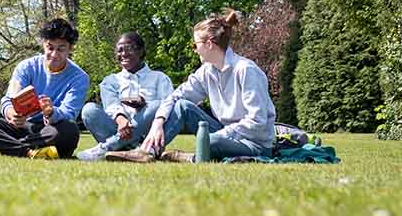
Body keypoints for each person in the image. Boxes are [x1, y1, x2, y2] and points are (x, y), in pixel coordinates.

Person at [107, 9, 276, 163]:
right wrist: (157, 123)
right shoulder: (207, 71)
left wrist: (217, 136)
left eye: (195, 45)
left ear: (209, 44)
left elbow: (257, 121)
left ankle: (189, 157)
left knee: (212, 141)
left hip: (254, 143)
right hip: (226, 133)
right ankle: (147, 151)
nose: (194, 50)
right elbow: (175, 96)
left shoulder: (246, 70)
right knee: (182, 106)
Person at [0, 18, 90, 159]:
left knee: (69, 130)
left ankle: (3, 147)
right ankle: (27, 152)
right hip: (19, 127)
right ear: (43, 44)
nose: (54, 54)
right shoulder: (26, 67)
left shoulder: (79, 77)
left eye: (60, 49)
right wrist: (11, 114)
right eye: (50, 47)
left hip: (48, 131)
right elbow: (8, 99)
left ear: (71, 48)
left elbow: (69, 113)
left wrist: (51, 112)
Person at [76, 32, 173, 161]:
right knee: (89, 110)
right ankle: (133, 150)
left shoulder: (160, 78)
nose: (123, 54)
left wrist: (145, 108)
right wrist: (121, 120)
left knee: (158, 105)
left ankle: (107, 148)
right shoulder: (110, 81)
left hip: (149, 136)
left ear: (141, 51)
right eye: (119, 50)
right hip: (118, 130)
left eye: (128, 48)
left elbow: (169, 106)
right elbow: (111, 105)